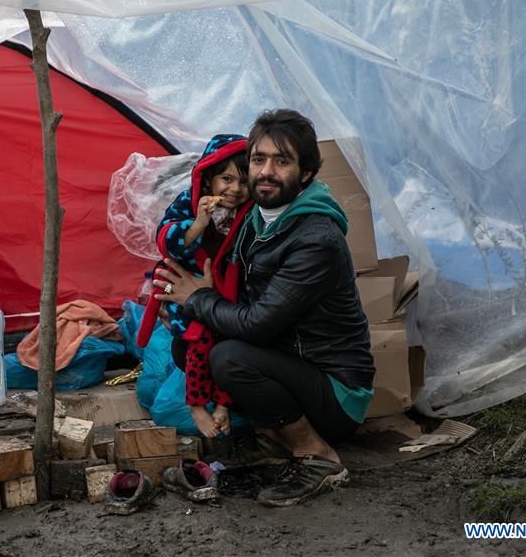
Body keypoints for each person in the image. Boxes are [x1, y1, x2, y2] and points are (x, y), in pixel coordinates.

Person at [153, 109, 375, 507]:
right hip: (289, 362)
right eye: (259, 159)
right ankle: (274, 438)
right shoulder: (254, 217)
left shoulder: (315, 238)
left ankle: (317, 454)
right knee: (187, 347)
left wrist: (198, 297)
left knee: (229, 356)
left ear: (306, 172)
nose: (266, 172)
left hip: (336, 389)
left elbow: (256, 326)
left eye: (282, 161)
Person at [137, 134, 253, 438]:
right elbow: (168, 242)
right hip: (183, 291)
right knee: (199, 339)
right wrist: (199, 223)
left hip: (224, 293)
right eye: (226, 179)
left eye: (243, 182)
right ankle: (197, 405)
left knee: (230, 341)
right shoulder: (190, 205)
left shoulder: (247, 213)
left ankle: (224, 406)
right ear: (209, 178)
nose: (235, 189)